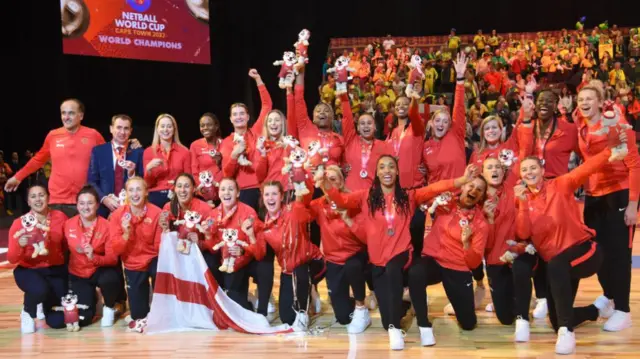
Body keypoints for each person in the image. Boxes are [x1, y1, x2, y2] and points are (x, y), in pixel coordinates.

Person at [323, 155, 477, 350]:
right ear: (377, 173)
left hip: (402, 255)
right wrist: (324, 183)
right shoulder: (365, 197)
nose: (386, 171)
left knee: (394, 270)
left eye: (391, 167)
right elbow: (341, 199)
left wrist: (462, 180)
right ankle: (403, 309)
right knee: (387, 317)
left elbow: (435, 187)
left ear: (397, 172)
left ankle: (411, 328)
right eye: (382, 167)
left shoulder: (408, 197)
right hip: (378, 263)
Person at [514, 134, 625, 354]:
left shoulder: (560, 184)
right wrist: (523, 205)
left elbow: (586, 169)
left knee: (555, 265)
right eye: (524, 170)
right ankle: (595, 311)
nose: (529, 173)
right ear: (521, 176)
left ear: (542, 171)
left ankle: (567, 333)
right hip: (560, 266)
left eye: (533, 168)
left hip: (585, 252)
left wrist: (608, 150)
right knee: (555, 318)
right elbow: (523, 232)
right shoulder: (523, 201)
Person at [575, 81, 640, 332]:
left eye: (590, 99)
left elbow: (634, 165)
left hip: (619, 195)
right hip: (593, 197)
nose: (584, 103)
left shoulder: (618, 125)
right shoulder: (581, 126)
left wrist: (633, 204)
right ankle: (610, 297)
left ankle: (624, 310)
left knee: (619, 255)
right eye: (581, 99)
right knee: (598, 252)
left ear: (602, 103)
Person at [5, 99, 106, 217]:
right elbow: (38, 159)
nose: (66, 117)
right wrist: (18, 177)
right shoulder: (53, 135)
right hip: (58, 200)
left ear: (81, 115)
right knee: (56, 235)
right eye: (63, 113)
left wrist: (128, 146)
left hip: (85, 200)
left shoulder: (93, 135)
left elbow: (109, 158)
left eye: (71, 113)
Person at [253, 180, 325, 330]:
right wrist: (250, 235)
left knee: (300, 272)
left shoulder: (293, 210)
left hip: (312, 262)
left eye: (274, 194)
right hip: (288, 271)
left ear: (281, 197)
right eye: (267, 194)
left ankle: (303, 313)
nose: (270, 198)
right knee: (287, 317)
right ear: (262, 198)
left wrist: (301, 182)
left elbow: (305, 199)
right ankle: (307, 296)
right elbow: (259, 254)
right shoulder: (263, 226)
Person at [308, 165, 371, 333]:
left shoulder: (353, 201)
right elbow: (302, 211)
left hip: (356, 256)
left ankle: (361, 307)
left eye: (333, 180)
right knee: (343, 318)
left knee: (353, 265)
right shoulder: (319, 204)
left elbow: (366, 237)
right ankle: (350, 302)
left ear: (342, 182)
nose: (329, 183)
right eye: (325, 180)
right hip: (333, 261)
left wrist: (348, 219)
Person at [200, 178, 266, 314]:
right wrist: (207, 235)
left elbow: (257, 246)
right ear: (218, 194)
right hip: (224, 260)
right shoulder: (212, 216)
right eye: (223, 189)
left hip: (245, 259)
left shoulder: (249, 212)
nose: (226, 192)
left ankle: (248, 303)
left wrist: (242, 251)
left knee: (234, 295)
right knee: (209, 262)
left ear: (237, 193)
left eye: (231, 189)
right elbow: (213, 248)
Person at [8, 184, 69, 333]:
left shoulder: (60, 217)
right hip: (29, 270)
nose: (38, 199)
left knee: (58, 322)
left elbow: (67, 246)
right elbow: (11, 258)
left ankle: (43, 302)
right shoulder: (19, 223)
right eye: (33, 196)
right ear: (28, 202)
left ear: (48, 198)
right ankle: (28, 311)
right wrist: (20, 245)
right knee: (40, 289)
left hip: (54, 270)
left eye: (41, 195)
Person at [110, 176, 163, 332]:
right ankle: (139, 313)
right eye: (131, 190)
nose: (135, 194)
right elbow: (116, 250)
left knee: (159, 268)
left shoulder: (156, 213)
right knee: (138, 315)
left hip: (153, 259)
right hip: (132, 263)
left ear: (146, 192)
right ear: (126, 193)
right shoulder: (118, 215)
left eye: (138, 189)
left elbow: (160, 245)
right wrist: (125, 234)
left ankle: (162, 313)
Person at [64, 185, 121, 327]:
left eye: (90, 203)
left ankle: (109, 306)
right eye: (82, 203)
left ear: (97, 205)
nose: (86, 207)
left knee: (111, 278)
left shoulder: (107, 226)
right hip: (78, 273)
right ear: (77, 205)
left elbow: (112, 259)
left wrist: (94, 256)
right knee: (84, 320)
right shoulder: (68, 224)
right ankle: (92, 298)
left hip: (99, 269)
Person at [220, 70, 272, 210]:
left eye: (242, 113)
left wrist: (258, 80)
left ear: (248, 117)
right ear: (231, 119)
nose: (239, 117)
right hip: (242, 191)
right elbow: (227, 175)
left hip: (263, 189)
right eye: (235, 114)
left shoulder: (255, 132)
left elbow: (267, 106)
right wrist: (234, 155)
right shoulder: (226, 143)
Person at [88, 114, 144, 218]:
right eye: (119, 127)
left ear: (131, 131)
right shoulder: (98, 151)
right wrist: (104, 198)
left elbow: (142, 179)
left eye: (126, 128)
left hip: (131, 207)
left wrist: (131, 174)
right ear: (111, 129)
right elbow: (91, 181)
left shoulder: (138, 152)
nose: (122, 132)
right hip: (104, 208)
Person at [160, 174, 215, 279]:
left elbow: (213, 244)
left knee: (211, 263)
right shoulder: (168, 207)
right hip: (177, 252)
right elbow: (164, 241)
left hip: (199, 253)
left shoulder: (205, 209)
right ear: (175, 189)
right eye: (179, 186)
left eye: (186, 186)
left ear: (194, 189)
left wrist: (200, 243)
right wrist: (164, 230)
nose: (182, 190)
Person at [337, 92, 392, 192]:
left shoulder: (384, 146)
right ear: (357, 128)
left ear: (375, 127)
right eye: (362, 123)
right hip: (350, 193)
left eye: (369, 123)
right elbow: (347, 118)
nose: (366, 126)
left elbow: (394, 167)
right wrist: (344, 97)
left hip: (373, 195)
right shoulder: (351, 140)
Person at [143, 114, 191, 208]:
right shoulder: (148, 152)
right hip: (155, 194)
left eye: (169, 126)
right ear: (157, 129)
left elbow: (188, 178)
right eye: (162, 126)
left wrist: (177, 186)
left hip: (178, 193)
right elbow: (147, 184)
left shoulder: (184, 152)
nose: (166, 129)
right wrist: (148, 169)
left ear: (174, 129)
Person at [190, 112, 223, 204]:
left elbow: (229, 170)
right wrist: (202, 190)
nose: (205, 128)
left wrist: (220, 163)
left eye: (209, 125)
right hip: (203, 195)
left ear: (216, 127)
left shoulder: (225, 144)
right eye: (202, 125)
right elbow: (194, 171)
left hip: (223, 193)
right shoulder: (195, 145)